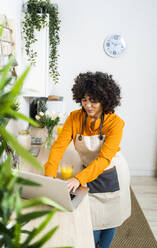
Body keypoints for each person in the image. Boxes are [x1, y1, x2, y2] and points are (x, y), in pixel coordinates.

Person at [44, 71, 131, 248]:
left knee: (110, 217)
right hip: (87, 172)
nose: (88, 105)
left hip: (111, 171)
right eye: (84, 100)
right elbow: (58, 147)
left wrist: (78, 178)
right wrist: (49, 179)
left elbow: (104, 158)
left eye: (94, 101)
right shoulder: (74, 118)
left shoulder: (115, 123)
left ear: (105, 100)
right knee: (91, 223)